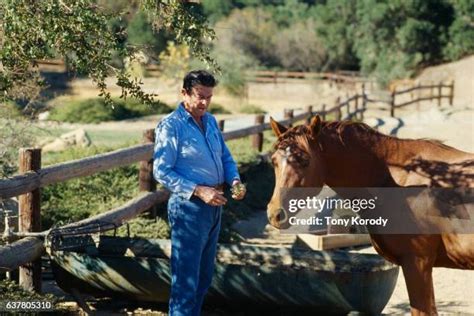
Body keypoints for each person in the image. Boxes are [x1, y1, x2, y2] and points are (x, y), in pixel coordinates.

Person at [153, 70, 246, 316]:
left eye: (209, 97)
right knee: (186, 283)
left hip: (215, 206)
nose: (204, 102)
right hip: (188, 209)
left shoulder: (211, 121)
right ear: (184, 93)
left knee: (203, 279)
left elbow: (225, 157)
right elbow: (161, 171)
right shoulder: (170, 126)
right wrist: (198, 190)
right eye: (199, 96)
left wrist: (234, 180)